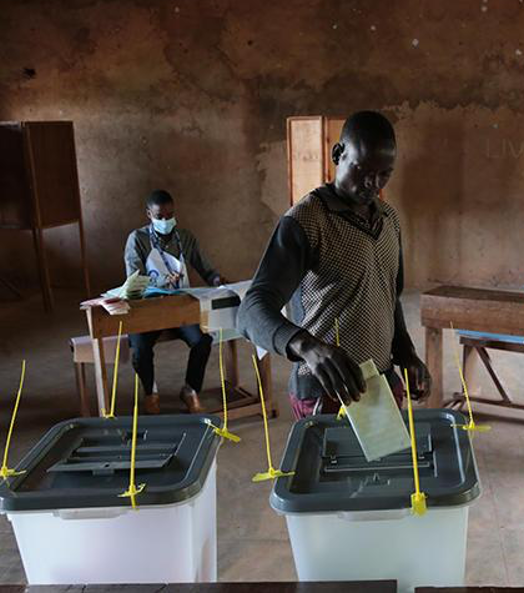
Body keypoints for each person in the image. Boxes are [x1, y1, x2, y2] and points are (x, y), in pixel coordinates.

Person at [238, 110, 431, 419]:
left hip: (382, 383)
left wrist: (406, 353)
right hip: (327, 391)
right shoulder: (307, 220)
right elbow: (250, 311)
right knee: (331, 467)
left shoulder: (388, 219)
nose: (373, 183)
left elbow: (388, 297)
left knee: (382, 468)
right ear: (338, 154)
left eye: (385, 174)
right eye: (362, 168)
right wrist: (307, 347)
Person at [124, 189, 227, 414]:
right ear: (148, 214)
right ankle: (150, 393)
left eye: (170, 216)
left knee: (202, 340)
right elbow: (134, 279)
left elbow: (206, 268)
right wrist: (161, 280)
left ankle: (191, 390)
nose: (165, 221)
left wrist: (217, 279)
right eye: (159, 216)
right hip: (148, 307)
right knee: (140, 347)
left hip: (179, 305)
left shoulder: (185, 238)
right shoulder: (137, 239)